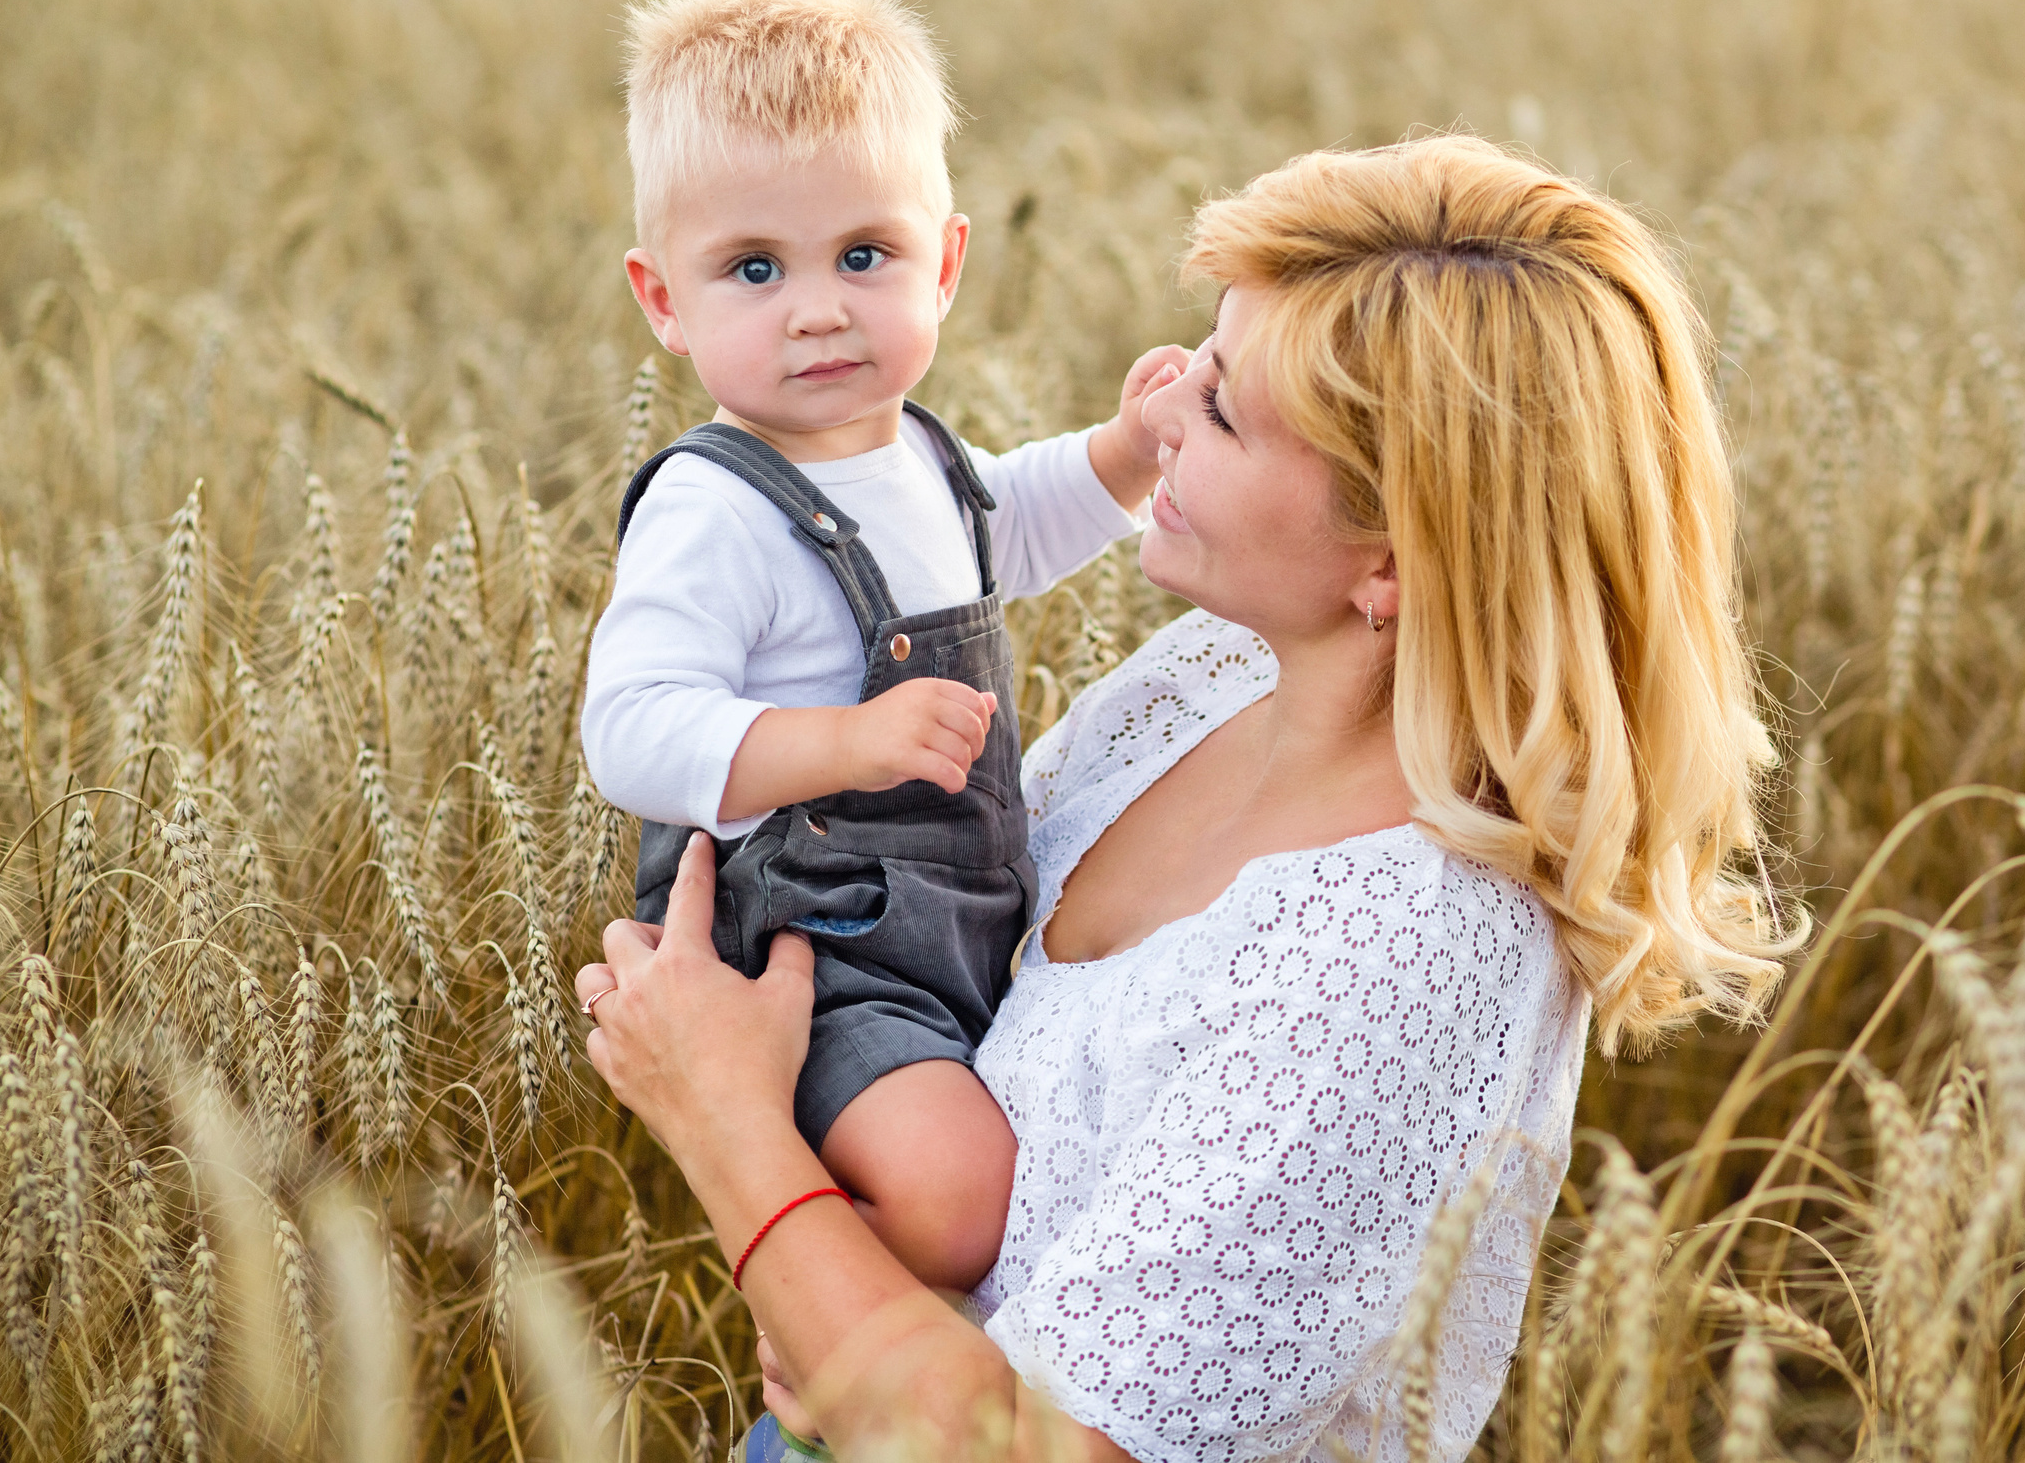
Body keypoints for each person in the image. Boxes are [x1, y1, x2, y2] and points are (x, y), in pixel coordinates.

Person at [579, 134, 1801, 1463]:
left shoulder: (1402, 954)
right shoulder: (1217, 680)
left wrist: (728, 1129)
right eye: (1203, 358)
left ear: (1391, 560)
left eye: (1220, 411)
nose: (1165, 408)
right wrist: (839, 1286)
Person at [580, 0, 1189, 1292]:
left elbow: (999, 532)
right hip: (818, 947)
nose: (817, 307)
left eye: (866, 256)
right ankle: (823, 1350)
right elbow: (630, 732)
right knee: (963, 1205)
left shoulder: (913, 449)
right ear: (663, 302)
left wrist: (1127, 455)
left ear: (947, 261)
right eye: (754, 268)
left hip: (967, 921)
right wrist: (845, 743)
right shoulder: (713, 506)